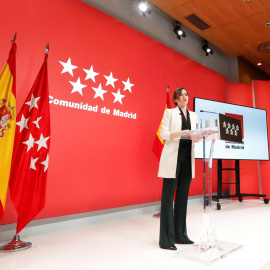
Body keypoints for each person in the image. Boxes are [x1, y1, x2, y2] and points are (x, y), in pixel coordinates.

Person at [158, 87, 198, 251]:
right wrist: (181, 133)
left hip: (188, 159)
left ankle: (181, 235)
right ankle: (166, 239)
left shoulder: (194, 115)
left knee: (182, 198)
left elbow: (194, 136)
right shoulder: (170, 113)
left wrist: (198, 136)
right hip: (172, 159)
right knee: (168, 199)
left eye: (186, 94)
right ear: (175, 99)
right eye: (180, 95)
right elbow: (164, 134)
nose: (184, 97)